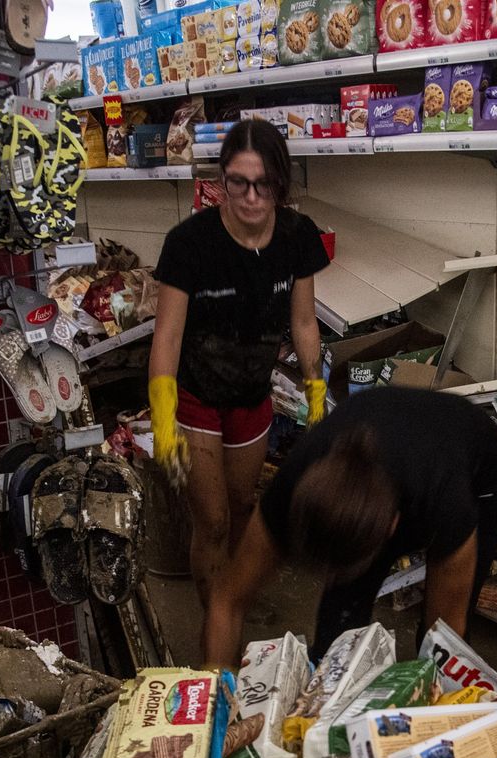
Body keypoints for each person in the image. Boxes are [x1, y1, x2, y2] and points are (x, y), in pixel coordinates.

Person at [148, 119, 331, 608]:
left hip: (253, 392)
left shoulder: (298, 236)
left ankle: (234, 593)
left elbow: (305, 323)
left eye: (264, 184)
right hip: (197, 395)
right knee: (212, 521)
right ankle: (218, 616)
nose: (251, 197)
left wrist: (317, 396)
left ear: (280, 182)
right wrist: (164, 423)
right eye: (238, 183)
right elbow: (166, 336)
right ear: (221, 179)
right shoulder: (189, 244)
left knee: (244, 505)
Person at [203, 385, 497, 669]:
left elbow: (447, 637)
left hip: (479, 468)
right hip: (385, 460)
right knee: (336, 644)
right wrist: (218, 694)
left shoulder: (446, 501)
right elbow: (226, 601)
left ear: (391, 527)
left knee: (434, 650)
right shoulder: (292, 487)